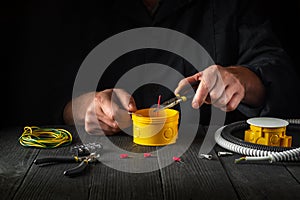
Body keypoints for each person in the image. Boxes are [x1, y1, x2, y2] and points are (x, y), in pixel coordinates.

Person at [63, 0, 300, 135]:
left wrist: (243, 80)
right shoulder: (80, 8)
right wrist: (87, 107)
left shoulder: (230, 5)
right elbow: (49, 97)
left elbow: (281, 77)